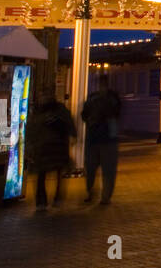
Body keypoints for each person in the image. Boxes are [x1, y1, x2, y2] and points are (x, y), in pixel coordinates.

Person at [29, 91, 76, 209]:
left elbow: (68, 124)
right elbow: (32, 128)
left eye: (45, 96)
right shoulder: (39, 112)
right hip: (44, 148)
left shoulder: (57, 111)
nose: (43, 99)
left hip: (56, 147)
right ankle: (42, 200)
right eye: (41, 97)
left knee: (55, 173)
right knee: (41, 174)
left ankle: (54, 198)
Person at [81, 73, 121, 205]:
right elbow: (85, 114)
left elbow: (85, 114)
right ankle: (99, 194)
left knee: (100, 169)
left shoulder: (105, 98)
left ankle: (100, 195)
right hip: (102, 139)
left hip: (102, 138)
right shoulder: (107, 98)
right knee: (99, 169)